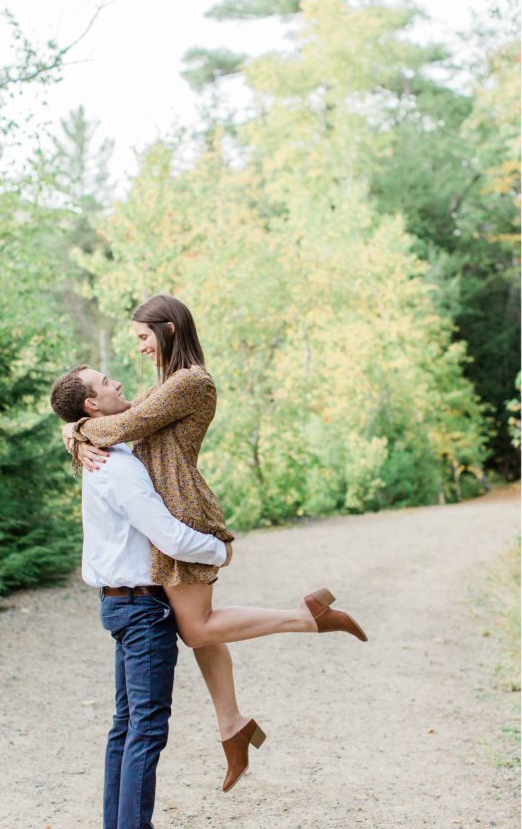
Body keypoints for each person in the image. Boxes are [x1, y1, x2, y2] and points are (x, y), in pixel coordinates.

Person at [53, 295, 367, 794]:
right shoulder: (165, 384)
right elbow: (112, 424)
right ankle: (232, 724)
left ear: (170, 329)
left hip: (180, 511)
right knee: (197, 625)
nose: (138, 349)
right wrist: (75, 433)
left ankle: (307, 617)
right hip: (169, 507)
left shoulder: (191, 382)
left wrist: (76, 430)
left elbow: (118, 427)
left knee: (196, 630)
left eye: (142, 337)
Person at [53, 364, 229, 829]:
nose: (117, 384)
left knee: (125, 726)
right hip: (142, 608)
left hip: (122, 604)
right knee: (145, 732)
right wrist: (220, 548)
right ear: (91, 407)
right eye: (105, 382)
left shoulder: (106, 453)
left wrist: (72, 437)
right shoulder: (119, 468)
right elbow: (171, 537)